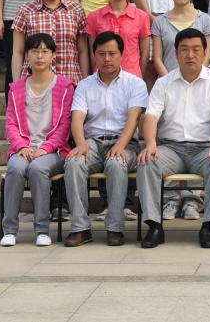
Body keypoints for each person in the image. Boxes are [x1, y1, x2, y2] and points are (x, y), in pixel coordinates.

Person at [137, 28, 210, 249]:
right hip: (171, 149)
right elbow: (151, 116)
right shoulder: (164, 82)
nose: (190, 55)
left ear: (205, 52)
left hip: (204, 148)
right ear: (176, 53)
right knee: (147, 161)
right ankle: (154, 225)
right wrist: (150, 144)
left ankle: (209, 225)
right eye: (184, 49)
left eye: (196, 49)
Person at [63, 31, 148, 247]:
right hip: (92, 142)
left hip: (125, 142)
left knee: (116, 163)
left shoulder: (135, 84)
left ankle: (115, 227)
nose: (107, 59)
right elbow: (77, 118)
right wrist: (81, 144)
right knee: (73, 163)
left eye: (112, 53)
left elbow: (134, 119)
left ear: (121, 55)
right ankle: (80, 228)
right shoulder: (85, 85)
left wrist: (120, 145)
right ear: (94, 55)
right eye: (101, 54)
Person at [149, 0, 210, 221]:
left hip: (199, 86)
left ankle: (192, 201)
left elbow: (206, 57)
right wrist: (171, 81)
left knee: (196, 137)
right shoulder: (159, 22)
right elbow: (157, 57)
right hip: (168, 87)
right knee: (170, 141)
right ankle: (171, 200)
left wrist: (192, 79)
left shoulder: (205, 20)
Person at [0, 32, 74, 247]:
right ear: (27, 56)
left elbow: (65, 126)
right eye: (34, 51)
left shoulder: (64, 87)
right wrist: (21, 146)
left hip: (54, 151)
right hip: (23, 148)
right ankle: (9, 230)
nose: (40, 56)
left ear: (53, 56)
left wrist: (46, 148)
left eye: (45, 51)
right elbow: (11, 124)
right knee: (15, 167)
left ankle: (42, 229)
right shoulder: (16, 88)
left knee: (37, 169)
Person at [12, 0, 89, 87]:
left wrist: (85, 83)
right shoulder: (25, 11)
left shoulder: (76, 10)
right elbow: (18, 52)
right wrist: (16, 85)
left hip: (70, 82)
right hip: (34, 84)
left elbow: (82, 51)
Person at [85, 0, 151, 78]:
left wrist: (138, 78)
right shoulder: (94, 17)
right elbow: (93, 54)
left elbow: (144, 54)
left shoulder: (142, 17)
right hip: (102, 79)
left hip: (132, 78)